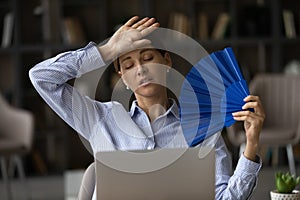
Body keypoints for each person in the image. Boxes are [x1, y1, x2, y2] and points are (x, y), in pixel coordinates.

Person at [29, 16, 265, 199]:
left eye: (148, 58)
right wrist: (108, 50)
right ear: (122, 77)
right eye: (128, 64)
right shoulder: (100, 118)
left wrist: (251, 145)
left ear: (167, 62)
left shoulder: (204, 130)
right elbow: (42, 78)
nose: (140, 69)